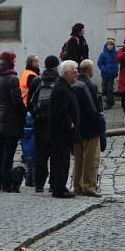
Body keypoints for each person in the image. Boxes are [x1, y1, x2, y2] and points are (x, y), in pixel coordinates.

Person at [0, 51, 26, 193]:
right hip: (10, 121)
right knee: (8, 154)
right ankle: (5, 182)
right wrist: (24, 111)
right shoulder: (12, 79)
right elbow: (16, 101)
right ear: (10, 60)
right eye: (14, 58)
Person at [27, 55, 60, 193]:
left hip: (40, 123)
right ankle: (53, 184)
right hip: (55, 123)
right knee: (55, 155)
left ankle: (39, 184)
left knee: (41, 155)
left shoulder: (37, 80)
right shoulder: (59, 80)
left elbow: (29, 102)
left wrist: (36, 116)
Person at [48, 60, 80, 198]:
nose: (77, 74)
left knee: (61, 160)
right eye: (74, 72)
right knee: (61, 160)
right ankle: (59, 188)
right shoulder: (61, 88)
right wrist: (69, 123)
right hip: (61, 132)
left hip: (61, 132)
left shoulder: (64, 86)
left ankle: (59, 186)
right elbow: (60, 110)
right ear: (66, 74)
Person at [72, 60, 104, 197]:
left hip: (77, 128)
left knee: (78, 160)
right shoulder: (89, 86)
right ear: (89, 70)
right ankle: (89, 186)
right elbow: (93, 109)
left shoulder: (74, 84)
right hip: (90, 127)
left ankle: (77, 185)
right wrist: (100, 124)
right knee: (91, 160)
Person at [97, 38, 119, 110]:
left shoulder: (116, 53)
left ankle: (109, 102)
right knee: (104, 87)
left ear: (113, 46)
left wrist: (115, 71)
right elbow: (100, 63)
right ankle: (110, 100)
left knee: (110, 88)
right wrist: (104, 69)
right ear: (106, 45)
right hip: (105, 74)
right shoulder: (103, 54)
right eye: (108, 44)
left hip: (112, 74)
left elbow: (117, 63)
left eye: (111, 45)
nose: (110, 46)